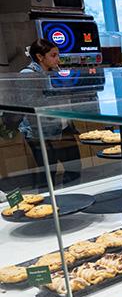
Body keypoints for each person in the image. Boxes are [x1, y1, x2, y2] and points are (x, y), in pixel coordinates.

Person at [19, 39, 81, 187]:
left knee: (74, 169)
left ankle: (70, 199)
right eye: (53, 55)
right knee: (47, 174)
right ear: (40, 57)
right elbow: (31, 104)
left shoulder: (55, 74)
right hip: (41, 132)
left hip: (63, 128)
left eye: (58, 55)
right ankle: (47, 205)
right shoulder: (28, 75)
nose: (58, 59)